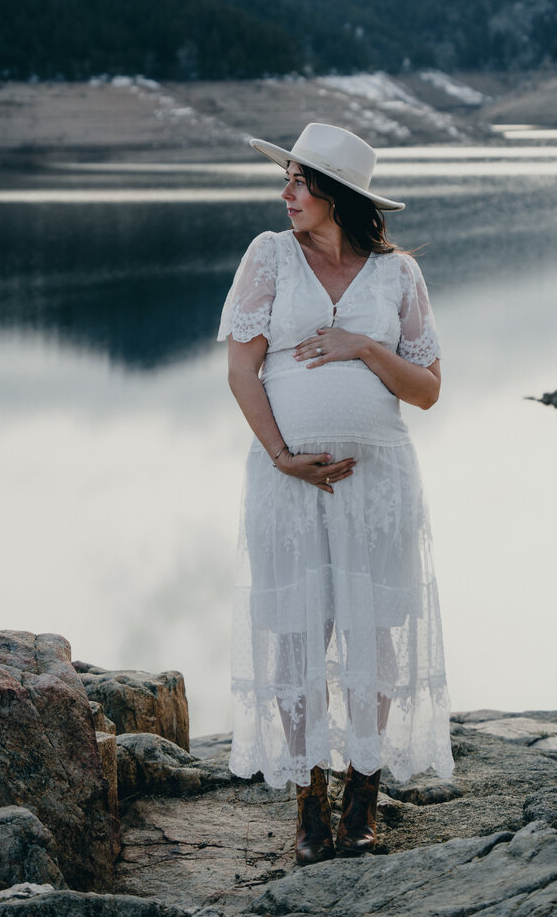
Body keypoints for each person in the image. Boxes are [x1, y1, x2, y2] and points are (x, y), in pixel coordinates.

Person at [217, 122, 453, 865]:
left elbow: (428, 390)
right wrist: (282, 455)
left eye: (300, 181)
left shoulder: (398, 276)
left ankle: (363, 797)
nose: (285, 193)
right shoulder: (269, 256)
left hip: (379, 484)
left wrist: (366, 348)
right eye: (286, 178)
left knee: (374, 634)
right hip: (287, 484)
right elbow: (241, 372)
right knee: (296, 635)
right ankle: (308, 804)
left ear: (339, 196)